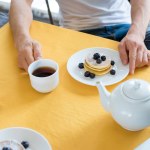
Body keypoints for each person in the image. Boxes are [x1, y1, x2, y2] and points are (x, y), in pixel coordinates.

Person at [9, 0, 150, 74]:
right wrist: (22, 40)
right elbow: (21, 1)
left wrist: (137, 33)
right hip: (77, 33)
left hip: (127, 30)